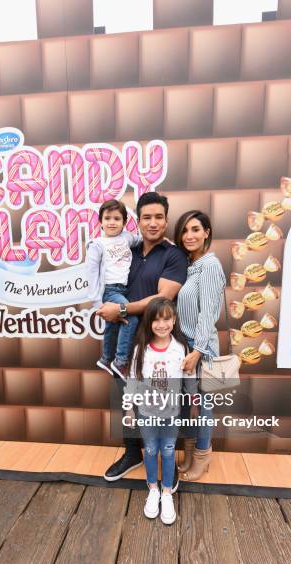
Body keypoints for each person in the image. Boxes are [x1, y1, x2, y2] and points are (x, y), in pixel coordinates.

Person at [98, 192, 188, 485]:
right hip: (126, 340)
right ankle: (132, 452)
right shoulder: (127, 250)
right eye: (146, 217)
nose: (153, 223)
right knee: (127, 397)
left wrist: (120, 308)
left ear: (166, 219)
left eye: (158, 217)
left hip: (158, 344)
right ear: (137, 221)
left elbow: (162, 297)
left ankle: (167, 465)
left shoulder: (174, 255)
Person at [124, 298, 196, 524]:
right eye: (156, 320)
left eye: (166, 319)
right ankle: (153, 489)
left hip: (171, 413)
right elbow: (133, 380)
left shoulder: (181, 348)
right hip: (146, 412)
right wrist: (129, 409)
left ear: (174, 321)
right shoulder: (141, 350)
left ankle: (167, 492)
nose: (162, 324)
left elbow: (189, 377)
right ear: (149, 322)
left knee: (167, 450)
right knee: (152, 449)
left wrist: (193, 402)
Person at [174, 210, 226, 480]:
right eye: (184, 230)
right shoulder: (190, 265)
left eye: (195, 229)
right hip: (185, 345)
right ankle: (191, 452)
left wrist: (198, 351)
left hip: (202, 347)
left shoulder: (210, 266)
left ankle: (203, 457)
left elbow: (208, 313)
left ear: (207, 232)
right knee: (186, 404)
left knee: (204, 406)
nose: (189, 236)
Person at [85, 199, 141, 379]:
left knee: (113, 324)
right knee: (130, 317)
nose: (111, 222)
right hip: (110, 290)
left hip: (124, 289)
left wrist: (163, 241)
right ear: (100, 222)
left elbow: (142, 240)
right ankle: (120, 361)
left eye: (117, 218)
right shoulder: (97, 244)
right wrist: (97, 301)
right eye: (107, 218)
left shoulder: (127, 237)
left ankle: (106, 358)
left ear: (124, 223)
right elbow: (91, 272)